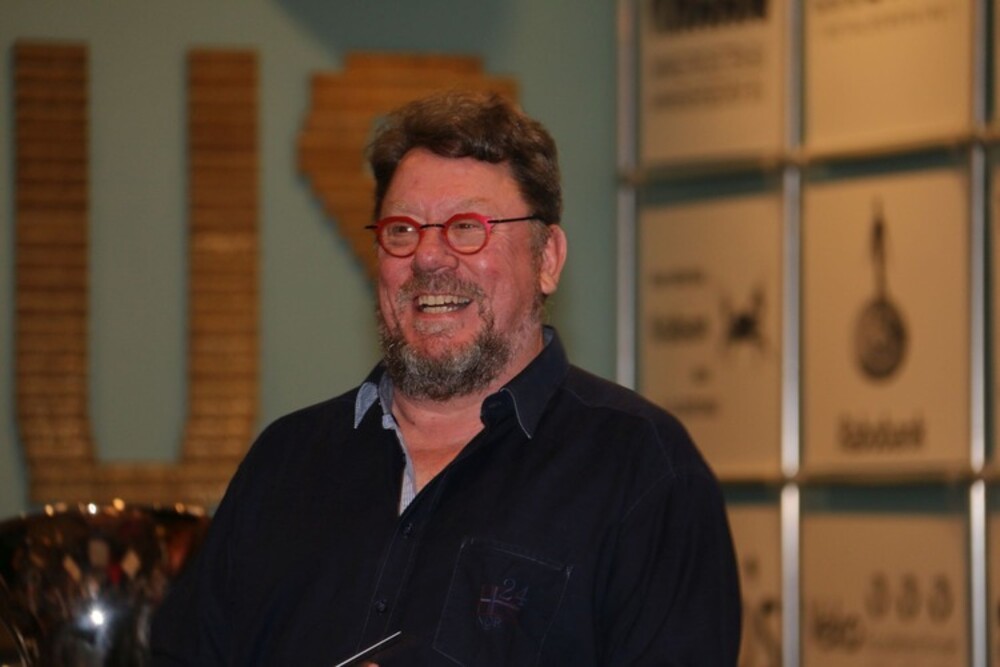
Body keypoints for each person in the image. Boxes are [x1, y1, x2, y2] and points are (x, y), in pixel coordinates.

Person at [151, 90, 741, 665]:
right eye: (402, 230)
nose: (429, 257)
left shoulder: (644, 472)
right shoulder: (284, 464)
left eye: (467, 227)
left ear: (547, 259)